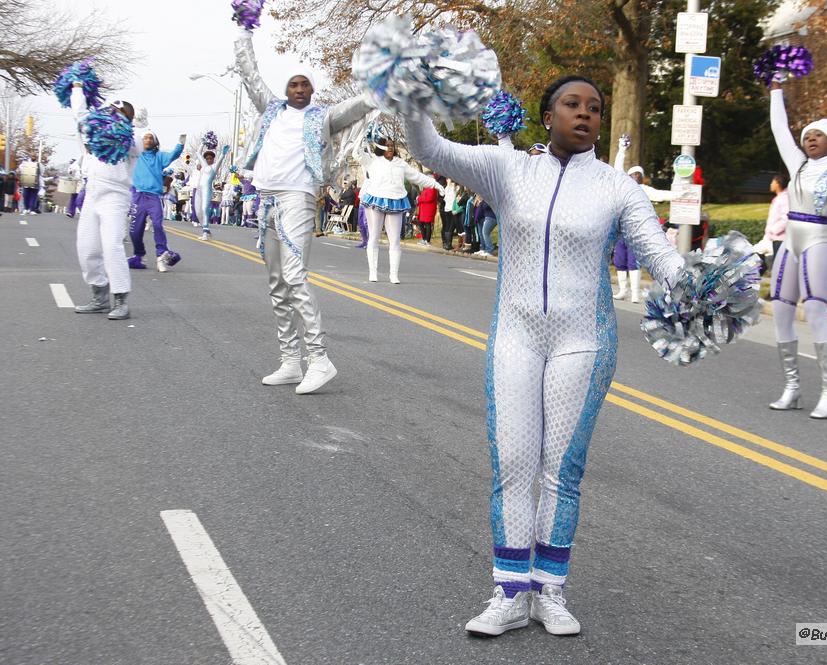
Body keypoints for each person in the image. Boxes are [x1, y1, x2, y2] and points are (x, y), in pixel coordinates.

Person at [403, 75, 686, 637]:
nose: (585, 115)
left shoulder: (615, 187)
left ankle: (550, 591)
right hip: (516, 336)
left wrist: (701, 288)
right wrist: (412, 98)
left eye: (596, 109)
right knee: (512, 463)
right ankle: (509, 592)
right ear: (547, 114)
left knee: (561, 470)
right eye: (572, 105)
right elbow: (430, 150)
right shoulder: (510, 171)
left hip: (583, 341)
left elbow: (659, 252)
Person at [234, 25, 371, 394]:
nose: (299, 90)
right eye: (293, 84)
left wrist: (386, 87)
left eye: (305, 85)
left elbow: (358, 104)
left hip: (297, 198)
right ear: (285, 90)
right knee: (277, 282)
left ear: (312, 90)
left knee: (294, 276)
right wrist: (243, 33)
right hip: (267, 200)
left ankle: (320, 358)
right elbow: (250, 76)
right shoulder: (271, 110)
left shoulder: (322, 117)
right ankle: (291, 361)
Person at [768, 81, 827, 419]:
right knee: (780, 312)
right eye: (807, 134)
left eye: (817, 135)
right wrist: (776, 90)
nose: (810, 138)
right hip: (791, 240)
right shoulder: (797, 165)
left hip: (819, 239)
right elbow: (780, 128)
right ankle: (792, 387)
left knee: (814, 312)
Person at [69, 84, 138, 320]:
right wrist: (78, 87)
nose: (112, 115)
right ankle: (99, 296)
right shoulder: (93, 132)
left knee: (112, 246)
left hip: (115, 196)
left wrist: (125, 126)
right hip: (92, 192)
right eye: (110, 111)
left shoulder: (129, 139)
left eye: (119, 114)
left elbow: (138, 138)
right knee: (87, 247)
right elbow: (80, 114)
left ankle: (121, 299)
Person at [355, 137, 442, 283]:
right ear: (380, 147)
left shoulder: (400, 163)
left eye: (392, 145)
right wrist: (360, 138)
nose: (390, 148)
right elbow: (357, 154)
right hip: (376, 198)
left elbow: (417, 177)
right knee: (374, 236)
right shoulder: (373, 161)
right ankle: (373, 272)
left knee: (395, 239)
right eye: (387, 145)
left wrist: (435, 184)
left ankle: (393, 274)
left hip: (396, 200)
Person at [611, 136, 676, 302]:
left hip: (635, 232)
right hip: (620, 231)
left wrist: (681, 194)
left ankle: (634, 292)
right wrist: (622, 149)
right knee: (620, 261)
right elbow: (618, 168)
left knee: (634, 262)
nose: (636, 177)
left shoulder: (644, 190)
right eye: (633, 174)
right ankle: (623, 290)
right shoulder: (623, 185)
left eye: (639, 175)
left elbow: (661, 195)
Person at [127, 128, 186, 271]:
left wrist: (180, 143)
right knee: (135, 230)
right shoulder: (136, 155)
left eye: (150, 138)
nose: (147, 140)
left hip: (153, 197)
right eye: (145, 138)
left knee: (158, 225)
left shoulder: (159, 156)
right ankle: (138, 256)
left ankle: (161, 256)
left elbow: (173, 155)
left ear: (154, 141)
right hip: (138, 195)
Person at [196, 146, 230, 240]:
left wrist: (223, 154)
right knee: (198, 212)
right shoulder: (203, 166)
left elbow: (220, 160)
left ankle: (205, 233)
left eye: (210, 158)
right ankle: (206, 230)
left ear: (213, 159)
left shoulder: (214, 167)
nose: (208, 160)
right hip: (199, 190)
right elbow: (198, 153)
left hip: (207, 190)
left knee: (204, 209)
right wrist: (203, 143)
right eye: (207, 158)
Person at [764, 173, 789, 259]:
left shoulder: (784, 198)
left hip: (781, 238)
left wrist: (773, 230)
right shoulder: (779, 198)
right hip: (774, 237)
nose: (771, 184)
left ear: (778, 183)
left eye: (772, 182)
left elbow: (787, 217)